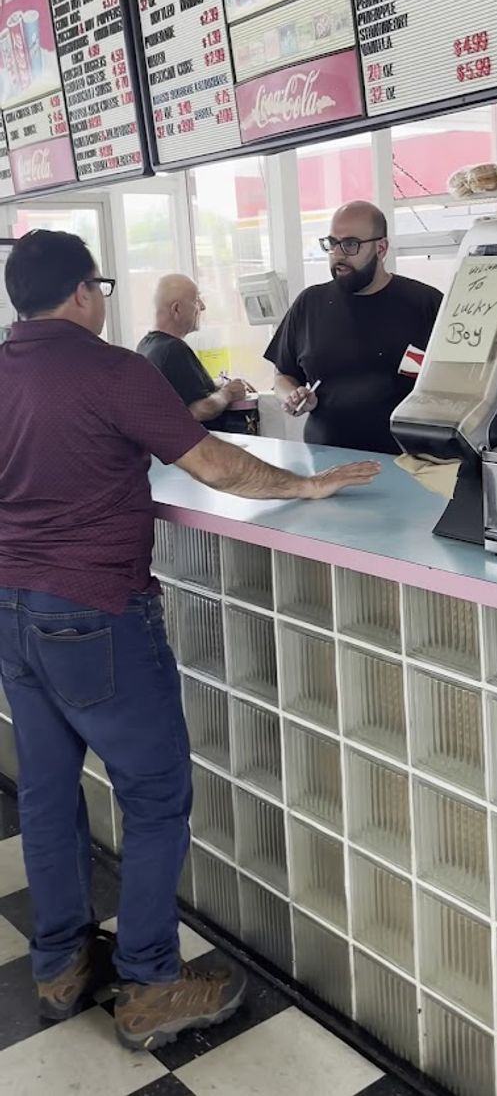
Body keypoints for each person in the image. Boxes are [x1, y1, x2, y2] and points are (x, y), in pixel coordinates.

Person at [0, 230, 379, 1052]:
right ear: (78, 293)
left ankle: (60, 962)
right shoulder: (110, 369)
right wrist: (307, 485)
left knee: (46, 791)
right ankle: (149, 981)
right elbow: (214, 464)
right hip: (98, 609)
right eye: (98, 285)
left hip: (12, 611)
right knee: (156, 794)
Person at [265, 201, 443, 455]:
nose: (338, 254)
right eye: (331, 243)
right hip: (326, 461)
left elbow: (458, 383)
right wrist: (292, 396)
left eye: (350, 244)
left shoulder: (425, 304)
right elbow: (283, 375)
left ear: (381, 248)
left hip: (409, 461)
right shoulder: (309, 304)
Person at [137, 274, 252, 428]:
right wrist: (228, 393)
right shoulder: (173, 350)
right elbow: (200, 409)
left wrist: (219, 385)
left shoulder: (147, 346)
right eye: (196, 300)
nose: (203, 307)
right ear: (177, 309)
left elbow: (185, 390)